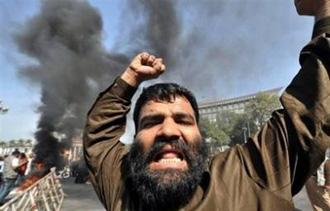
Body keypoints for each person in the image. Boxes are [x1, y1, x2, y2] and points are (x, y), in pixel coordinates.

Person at [83, 1, 330, 210]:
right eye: (152, 121)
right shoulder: (123, 188)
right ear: (135, 139)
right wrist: (128, 80)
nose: (168, 131)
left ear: (201, 137)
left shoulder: (244, 178)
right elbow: (98, 138)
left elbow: (311, 107)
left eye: (183, 120)